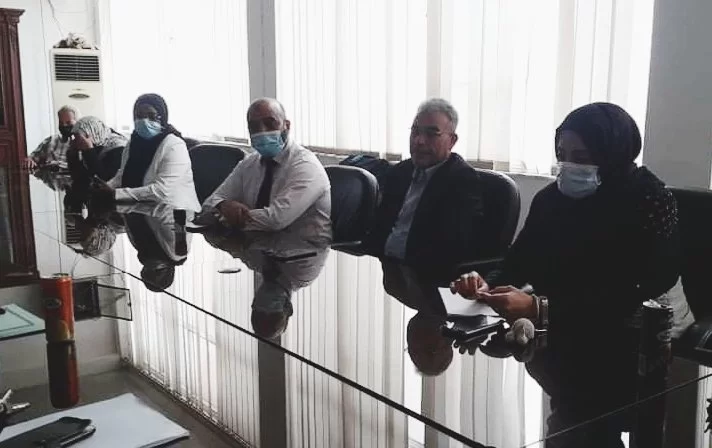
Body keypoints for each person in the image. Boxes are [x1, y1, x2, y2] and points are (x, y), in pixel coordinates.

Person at [451, 103, 682, 447]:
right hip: (558, 346)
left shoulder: (649, 199)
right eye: (562, 155)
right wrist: (486, 284)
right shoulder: (551, 199)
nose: (568, 165)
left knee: (582, 428)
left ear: (612, 153)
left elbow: (637, 289)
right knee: (564, 424)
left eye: (581, 156)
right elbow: (518, 262)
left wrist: (539, 307)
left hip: (628, 349)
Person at [365, 98, 484, 283]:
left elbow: (451, 248)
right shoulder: (400, 172)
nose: (419, 141)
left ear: (452, 141)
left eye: (431, 134)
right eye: (415, 132)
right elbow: (378, 229)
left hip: (427, 280)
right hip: (385, 274)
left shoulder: (462, 180)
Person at [203, 98, 331, 239]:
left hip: (304, 248)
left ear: (286, 126)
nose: (262, 131)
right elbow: (210, 203)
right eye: (254, 127)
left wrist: (227, 217)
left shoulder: (306, 166)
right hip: (257, 245)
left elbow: (276, 220)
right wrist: (223, 205)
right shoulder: (249, 163)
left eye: (270, 123)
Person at [98, 94, 200, 212]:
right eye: (139, 116)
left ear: (162, 117)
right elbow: (122, 174)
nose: (144, 121)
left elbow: (162, 191)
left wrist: (116, 194)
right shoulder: (133, 143)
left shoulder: (174, 145)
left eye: (152, 116)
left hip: (174, 213)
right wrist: (106, 186)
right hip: (140, 208)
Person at [66, 116, 129, 190]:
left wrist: (89, 150)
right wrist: (72, 154)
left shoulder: (119, 148)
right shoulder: (96, 144)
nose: (76, 140)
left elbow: (104, 179)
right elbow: (79, 177)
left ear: (91, 134)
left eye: (78, 137)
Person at [23, 105, 79, 170]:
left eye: (68, 122)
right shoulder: (51, 140)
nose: (64, 125)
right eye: (61, 123)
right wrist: (29, 160)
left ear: (77, 123)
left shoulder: (82, 143)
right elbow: (32, 157)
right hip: (50, 175)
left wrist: (58, 165)